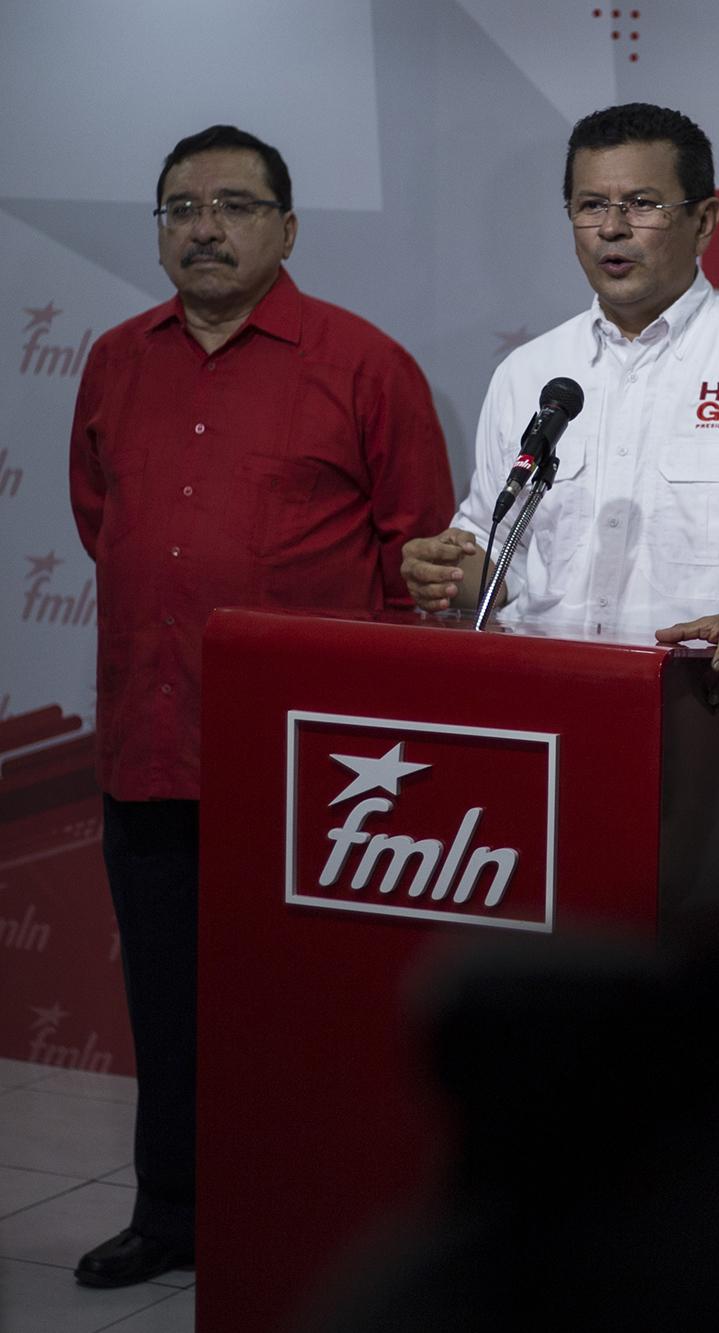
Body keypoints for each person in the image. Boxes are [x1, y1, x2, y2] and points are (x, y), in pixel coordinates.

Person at [67, 125, 455, 1287]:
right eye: (179, 206)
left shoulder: (363, 362)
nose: (204, 226)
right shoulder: (113, 359)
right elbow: (104, 523)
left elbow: (417, 559)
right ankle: (173, 1212)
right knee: (170, 999)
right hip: (153, 738)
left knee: (317, 1003)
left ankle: (337, 1216)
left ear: (287, 227)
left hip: (315, 765)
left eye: (234, 204)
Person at [400, 104, 719, 711]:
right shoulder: (528, 373)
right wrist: (449, 569)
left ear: (705, 221)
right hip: (537, 702)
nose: (612, 228)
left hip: (704, 708)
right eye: (590, 206)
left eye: (641, 204)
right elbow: (496, 568)